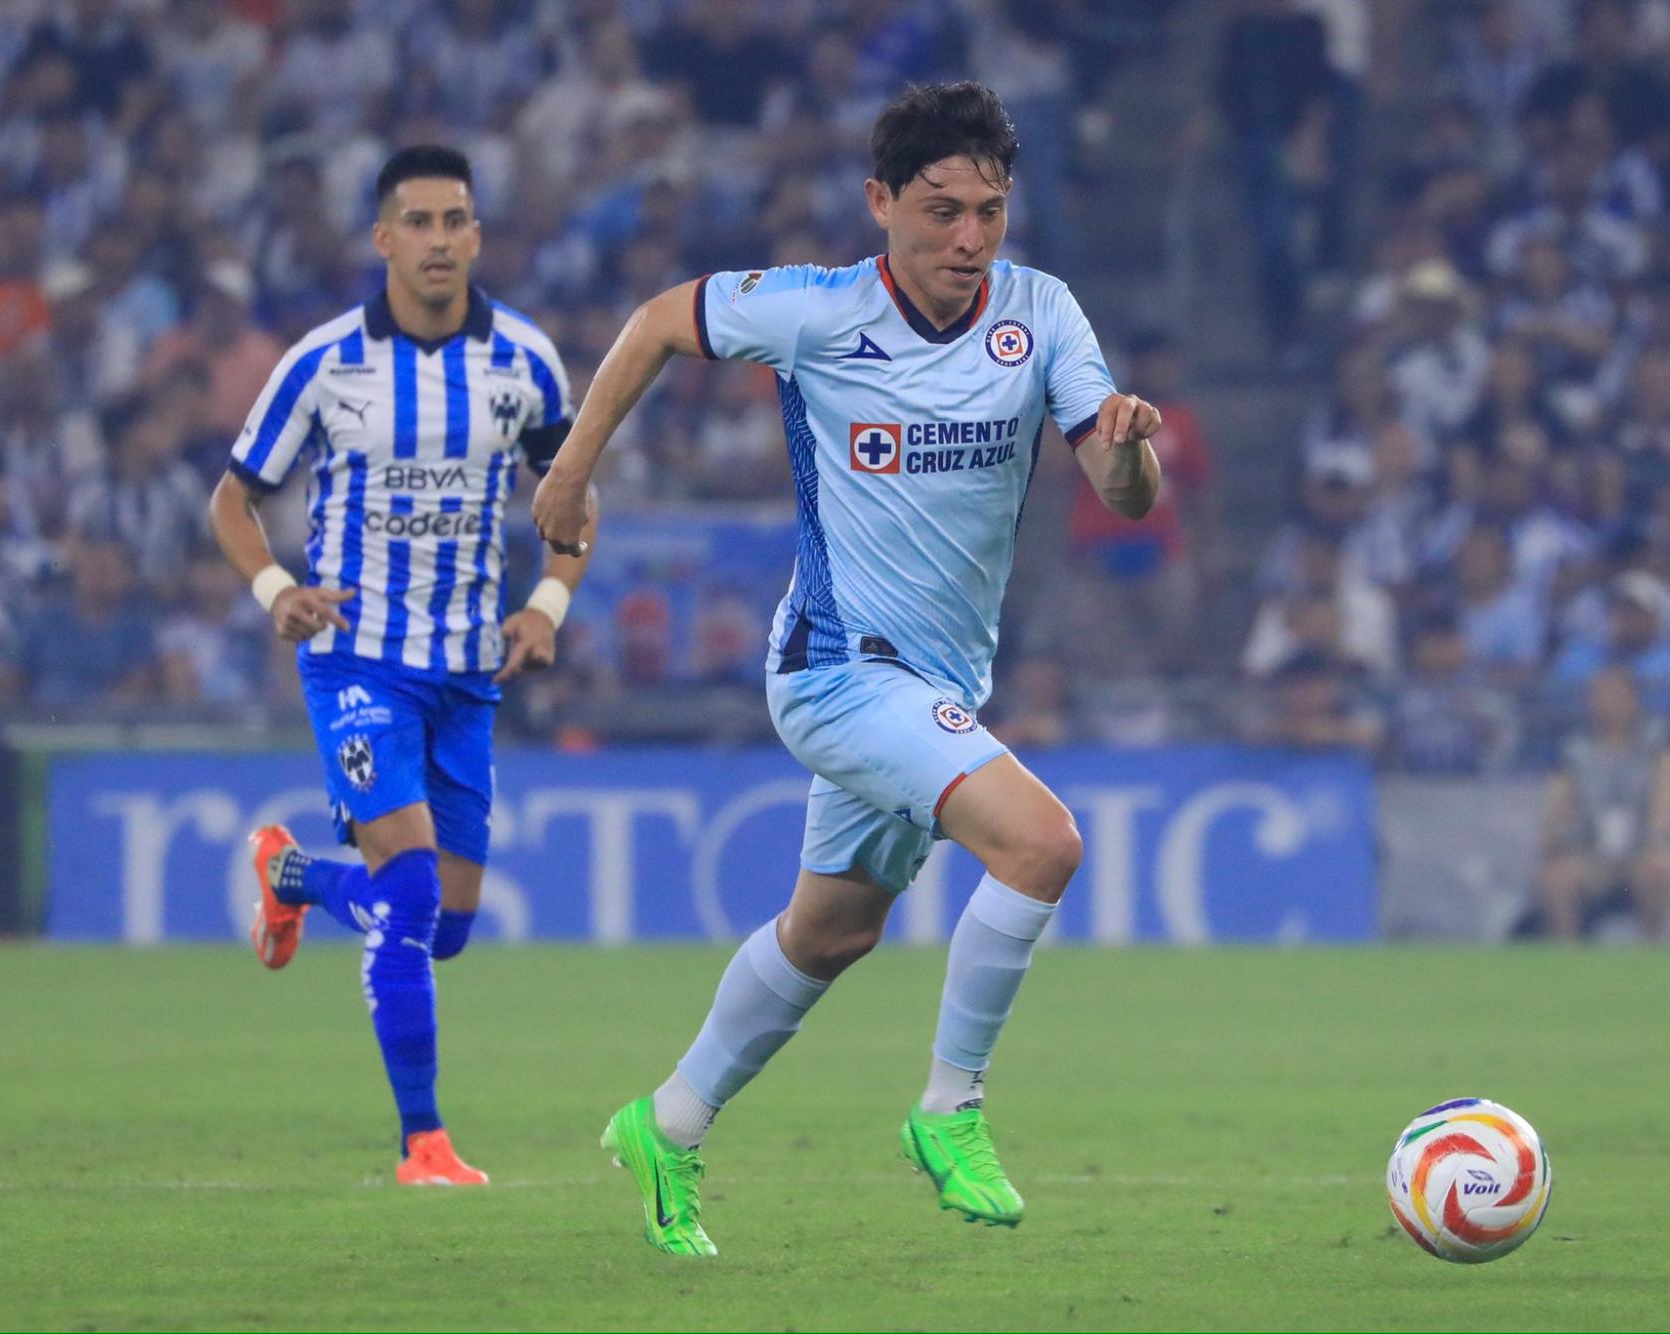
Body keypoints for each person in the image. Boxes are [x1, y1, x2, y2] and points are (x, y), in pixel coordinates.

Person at [531, 82, 1163, 1257]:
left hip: (935, 689)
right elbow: (661, 319)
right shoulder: (817, 313)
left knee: (831, 931)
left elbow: (1115, 490)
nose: (968, 239)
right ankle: (949, 1107)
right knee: (1041, 842)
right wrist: (571, 471)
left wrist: (1128, 457)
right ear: (879, 204)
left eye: (987, 210)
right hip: (834, 669)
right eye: (939, 211)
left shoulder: (1042, 313)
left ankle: (664, 1119)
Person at [206, 146, 593, 1186]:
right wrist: (273, 591)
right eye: (415, 221)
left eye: (453, 220)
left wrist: (547, 602)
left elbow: (571, 503)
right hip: (357, 663)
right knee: (413, 895)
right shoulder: (325, 362)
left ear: (476, 235)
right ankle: (422, 1141)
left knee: (444, 929)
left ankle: (292, 874)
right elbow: (231, 499)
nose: (436, 239)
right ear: (383, 239)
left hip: (468, 675)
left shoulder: (526, 364)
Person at [1535, 667, 1670, 941]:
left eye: (1616, 695)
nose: (1609, 703)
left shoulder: (1659, 745)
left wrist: (1658, 840)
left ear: (1633, 698)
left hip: (1641, 849)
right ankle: (1564, 954)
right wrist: (1556, 837)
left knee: (1658, 872)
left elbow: (1666, 800)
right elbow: (1560, 804)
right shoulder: (1575, 750)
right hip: (1590, 851)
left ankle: (1653, 950)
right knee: (1557, 878)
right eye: (1601, 695)